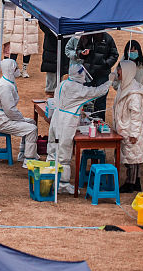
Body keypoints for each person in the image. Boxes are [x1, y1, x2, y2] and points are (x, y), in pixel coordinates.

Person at [48, 63, 112, 194]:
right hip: (66, 122)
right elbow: (97, 92)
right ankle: (62, 184)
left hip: (56, 119)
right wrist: (110, 81)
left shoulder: (63, 84)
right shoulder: (77, 88)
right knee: (64, 153)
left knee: (53, 150)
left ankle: (50, 179)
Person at [0, 58, 39, 164]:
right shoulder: (5, 86)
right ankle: (29, 160)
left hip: (4, 117)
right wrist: (20, 118)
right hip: (2, 120)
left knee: (31, 122)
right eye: (16, 68)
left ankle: (23, 152)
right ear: (11, 70)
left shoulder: (6, 82)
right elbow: (9, 110)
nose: (18, 70)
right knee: (32, 129)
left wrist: (21, 119)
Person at [113, 55, 143, 193]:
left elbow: (136, 116)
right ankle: (135, 181)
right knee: (131, 156)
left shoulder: (133, 93)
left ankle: (131, 183)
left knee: (132, 158)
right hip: (124, 127)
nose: (118, 72)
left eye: (120, 69)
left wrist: (133, 133)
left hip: (130, 129)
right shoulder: (125, 86)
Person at [66, 31, 117, 119]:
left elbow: (114, 54)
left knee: (100, 99)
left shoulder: (107, 38)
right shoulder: (84, 37)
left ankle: (100, 121)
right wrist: (81, 53)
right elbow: (78, 50)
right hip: (87, 74)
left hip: (102, 74)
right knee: (86, 98)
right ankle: (86, 123)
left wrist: (106, 64)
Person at [7, 0, 40, 77]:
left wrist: (35, 21)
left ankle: (25, 70)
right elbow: (10, 9)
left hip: (30, 23)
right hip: (17, 23)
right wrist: (9, 25)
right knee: (15, 48)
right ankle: (12, 69)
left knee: (28, 48)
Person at [39, 27, 70, 95]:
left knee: (61, 67)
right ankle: (50, 91)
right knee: (51, 68)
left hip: (64, 41)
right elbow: (43, 23)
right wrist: (53, 32)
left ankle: (58, 90)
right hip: (51, 43)